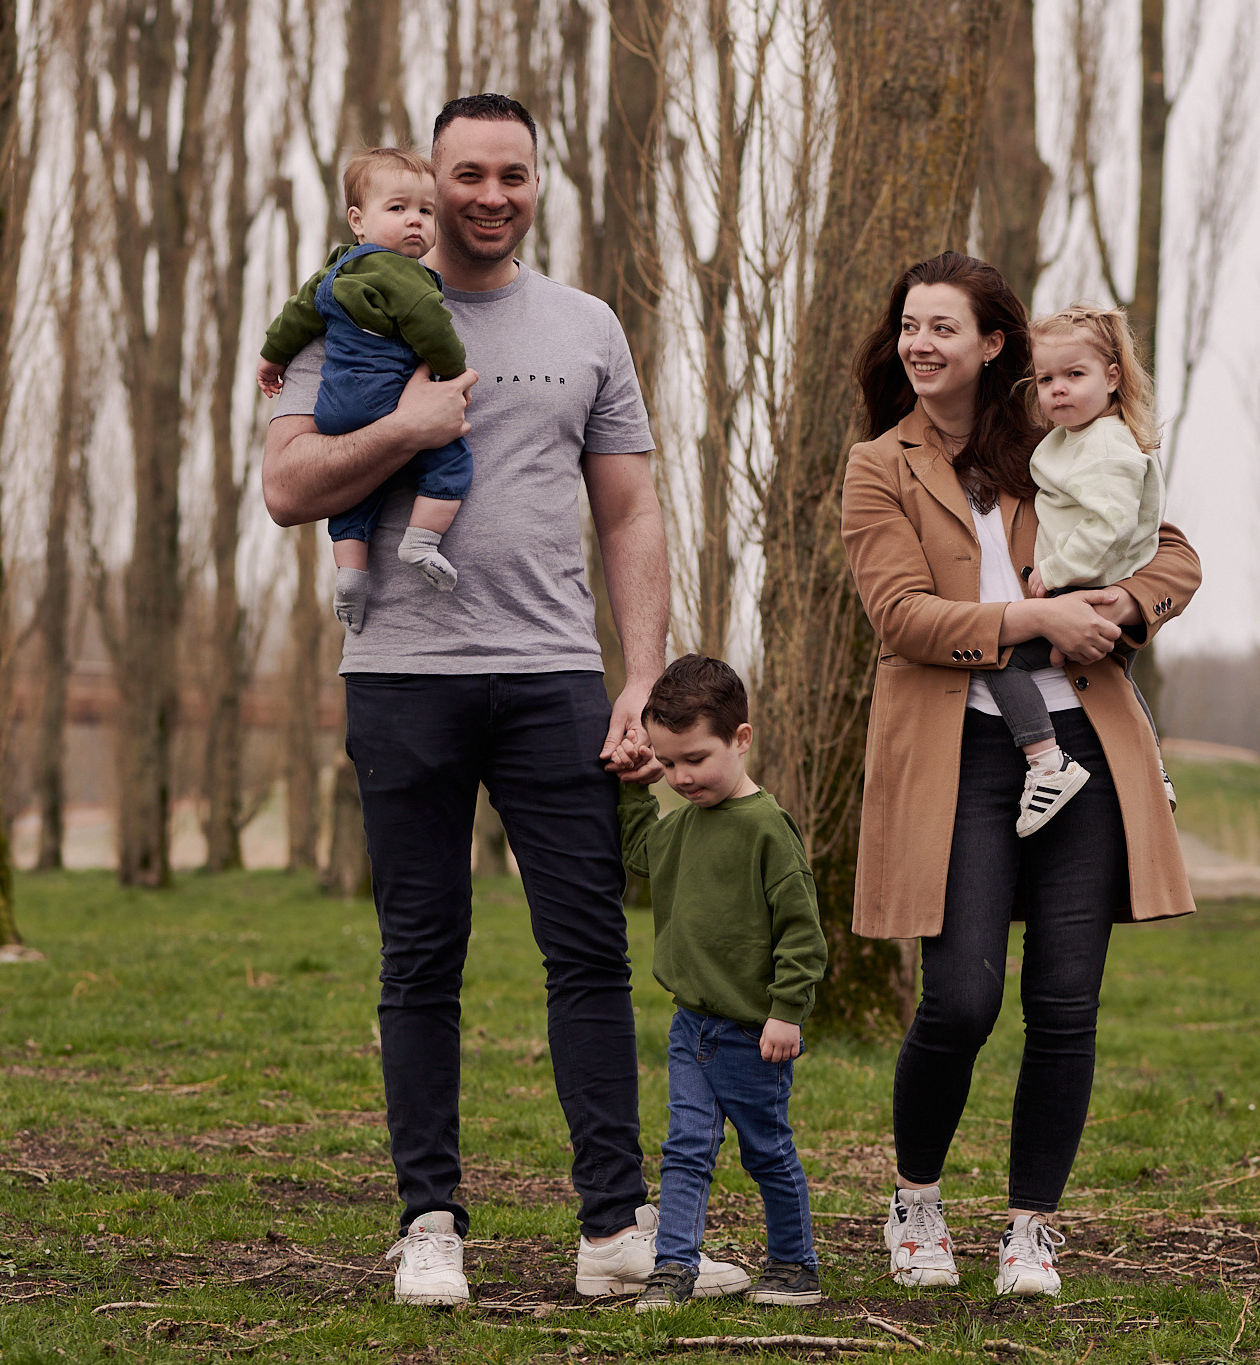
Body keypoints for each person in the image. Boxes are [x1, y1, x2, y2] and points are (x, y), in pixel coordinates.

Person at [260, 93, 745, 1307]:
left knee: (586, 954)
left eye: (509, 174)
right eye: (464, 173)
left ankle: (613, 1228)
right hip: (400, 680)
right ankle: (429, 1222)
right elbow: (285, 485)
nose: (487, 195)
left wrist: (639, 679)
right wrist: (408, 427)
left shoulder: (584, 326)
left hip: (551, 682)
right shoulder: (349, 300)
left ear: (537, 181)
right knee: (420, 956)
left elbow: (629, 511)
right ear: (427, 180)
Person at [839, 252, 1201, 1298]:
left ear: (990, 341)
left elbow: (1170, 553)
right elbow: (899, 616)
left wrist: (1124, 609)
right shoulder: (879, 466)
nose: (919, 343)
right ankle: (914, 1201)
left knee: (1065, 1003)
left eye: (941, 327)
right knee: (956, 1000)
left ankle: (1029, 1229)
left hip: (1080, 752)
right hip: (957, 760)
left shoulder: (1054, 437)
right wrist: (1031, 619)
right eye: (908, 325)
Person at [612, 656, 827, 1314]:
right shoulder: (679, 825)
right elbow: (640, 848)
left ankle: (795, 1263)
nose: (682, 776)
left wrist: (786, 1013)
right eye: (670, 762)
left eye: (695, 759)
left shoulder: (768, 829)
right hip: (690, 1028)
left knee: (767, 1151)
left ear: (741, 738)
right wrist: (632, 788)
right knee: (683, 1150)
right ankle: (673, 1266)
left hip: (751, 1033)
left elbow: (802, 933)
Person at [257, 146, 474, 619]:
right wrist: (453, 374)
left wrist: (272, 357)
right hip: (384, 398)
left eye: (425, 211)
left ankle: (351, 576)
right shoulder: (406, 276)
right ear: (358, 219)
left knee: (357, 493)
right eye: (398, 209)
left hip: (336, 410)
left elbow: (296, 316)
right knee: (451, 462)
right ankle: (421, 540)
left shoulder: (334, 270)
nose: (414, 220)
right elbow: (431, 327)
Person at [983, 305, 1167, 837]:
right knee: (1118, 677)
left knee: (1002, 657)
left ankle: (1047, 764)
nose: (1058, 390)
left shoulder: (1106, 447)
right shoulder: (1077, 440)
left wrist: (1054, 573)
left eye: (1074, 375)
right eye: (1046, 379)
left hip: (1090, 586)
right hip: (1095, 587)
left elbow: (1109, 525)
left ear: (1112, 378)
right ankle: (1152, 770)